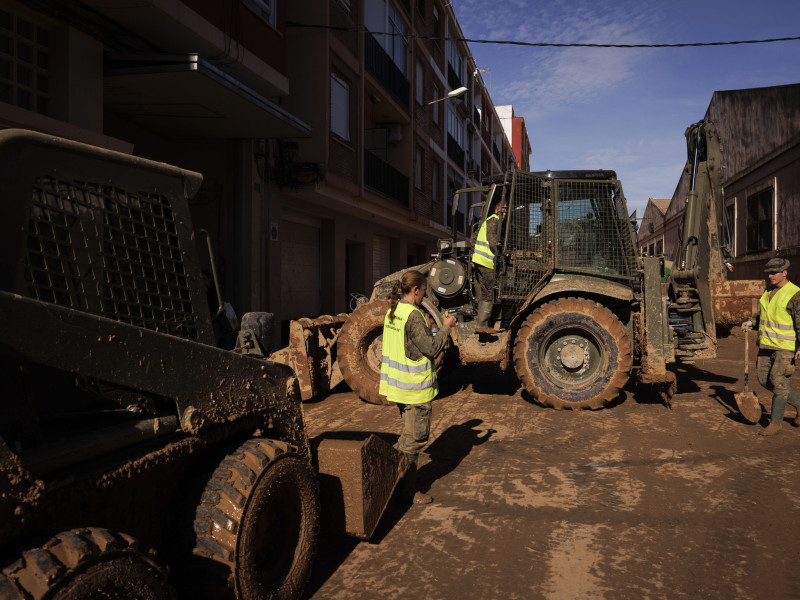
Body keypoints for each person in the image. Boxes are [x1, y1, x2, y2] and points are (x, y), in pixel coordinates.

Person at [379, 270, 457, 504]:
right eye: (424, 291)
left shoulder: (394, 311)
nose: (425, 295)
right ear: (416, 290)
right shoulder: (413, 315)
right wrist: (446, 327)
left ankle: (398, 484)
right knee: (413, 441)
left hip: (399, 388)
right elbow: (431, 348)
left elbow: (408, 345)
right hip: (414, 390)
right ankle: (403, 489)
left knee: (407, 436)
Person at [742, 257, 800, 436]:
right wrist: (752, 322)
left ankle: (775, 423)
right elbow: (767, 316)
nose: (771, 275)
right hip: (766, 344)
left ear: (785, 273)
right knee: (764, 379)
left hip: (785, 346)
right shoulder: (768, 291)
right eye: (769, 272)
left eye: (774, 272)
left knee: (779, 381)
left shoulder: (795, 294)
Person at [471, 201, 506, 332]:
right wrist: (504, 251)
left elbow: (473, 239)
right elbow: (493, 243)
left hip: (480, 261)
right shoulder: (494, 221)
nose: (506, 214)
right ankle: (482, 325)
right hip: (485, 262)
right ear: (498, 210)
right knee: (490, 290)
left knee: (485, 291)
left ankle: (482, 324)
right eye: (504, 211)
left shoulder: (487, 221)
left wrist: (474, 258)